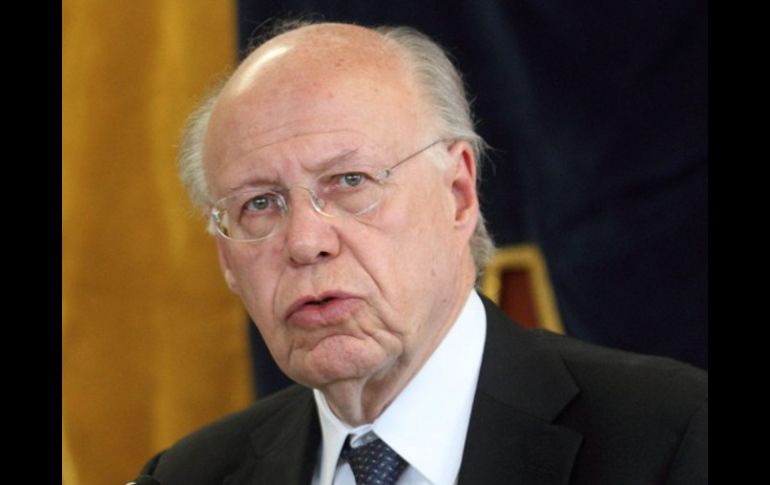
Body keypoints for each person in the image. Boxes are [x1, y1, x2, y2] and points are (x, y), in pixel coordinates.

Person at [133, 21, 707, 485]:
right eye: (259, 204)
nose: (306, 242)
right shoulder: (186, 476)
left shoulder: (676, 440)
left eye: (350, 180)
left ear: (458, 194)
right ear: (226, 258)